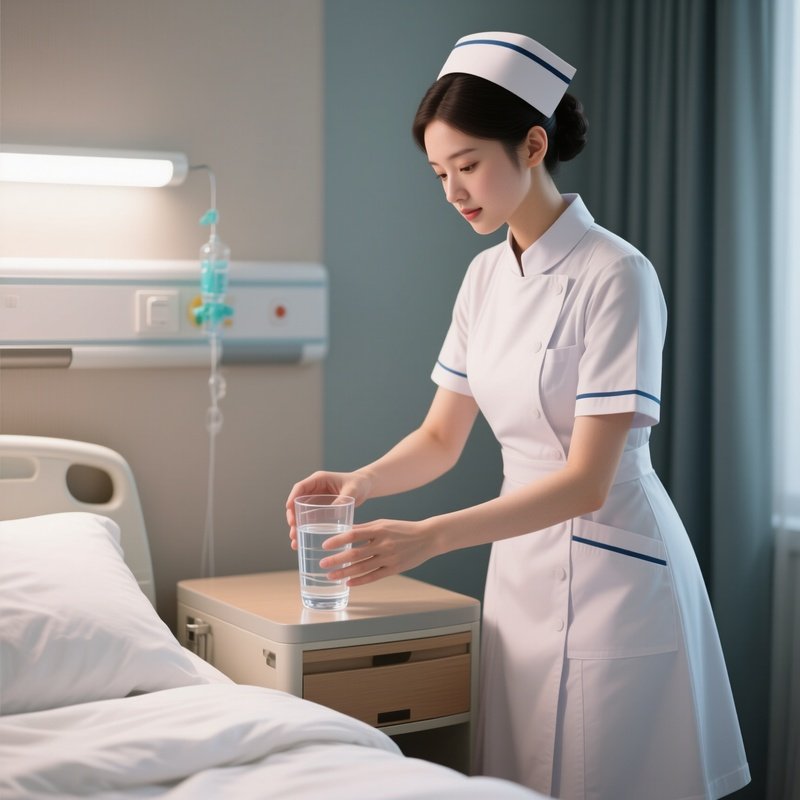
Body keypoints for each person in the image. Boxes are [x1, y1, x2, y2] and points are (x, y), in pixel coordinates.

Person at [286, 31, 750, 800]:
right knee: (523, 777)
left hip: (615, 574)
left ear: (533, 144)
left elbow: (585, 484)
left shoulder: (617, 275)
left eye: (468, 165)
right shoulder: (483, 277)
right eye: (439, 173)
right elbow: (440, 438)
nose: (453, 191)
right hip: (520, 574)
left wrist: (428, 537)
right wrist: (359, 483)